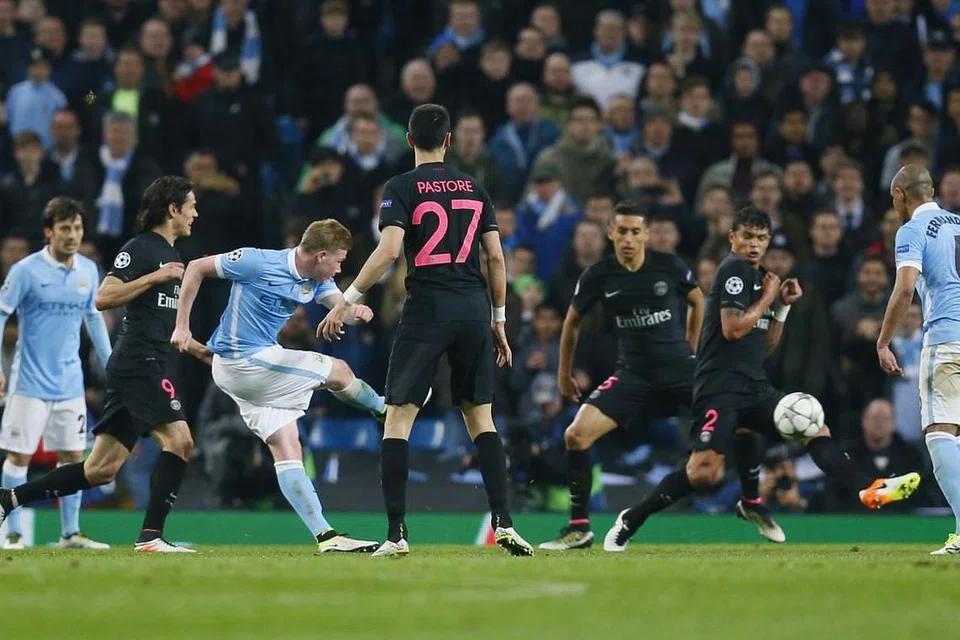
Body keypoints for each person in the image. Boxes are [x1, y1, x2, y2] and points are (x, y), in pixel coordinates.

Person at [603, 206, 922, 552]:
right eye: (748, 237)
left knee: (816, 428)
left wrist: (780, 308)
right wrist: (770, 295)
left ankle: (868, 488)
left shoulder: (760, 279)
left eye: (761, 238)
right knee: (703, 471)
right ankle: (630, 519)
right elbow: (733, 328)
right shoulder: (734, 271)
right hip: (719, 388)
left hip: (753, 384)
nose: (754, 244)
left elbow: (763, 346)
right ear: (733, 238)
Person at [318, 103, 534, 557]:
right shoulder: (475, 188)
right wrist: (498, 320)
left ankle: (397, 535)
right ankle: (506, 524)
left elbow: (389, 250)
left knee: (398, 418)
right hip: (474, 309)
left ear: (410, 140)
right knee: (481, 417)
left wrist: (347, 299)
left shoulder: (401, 187)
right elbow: (496, 258)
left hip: (427, 309)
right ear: (449, 141)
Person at [540, 200, 784, 550]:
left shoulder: (669, 266)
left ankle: (752, 501)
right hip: (632, 375)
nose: (628, 238)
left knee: (742, 414)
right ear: (611, 233)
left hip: (681, 370)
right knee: (576, 435)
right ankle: (579, 528)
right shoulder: (598, 275)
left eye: (635, 232)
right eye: (621, 231)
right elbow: (572, 322)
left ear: (645, 235)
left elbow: (698, 301)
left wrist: (691, 344)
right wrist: (564, 373)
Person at [0, 176, 211, 553]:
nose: (196, 213)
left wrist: (195, 347)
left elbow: (160, 319)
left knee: (99, 470)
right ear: (172, 209)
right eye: (191, 205)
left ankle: (9, 498)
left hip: (148, 361)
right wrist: (154, 276)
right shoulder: (142, 249)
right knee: (180, 442)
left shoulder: (174, 255)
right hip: (138, 363)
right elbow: (104, 297)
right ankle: (151, 537)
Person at [170, 219, 383, 553]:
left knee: (287, 445)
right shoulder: (257, 261)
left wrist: (359, 312)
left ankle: (326, 536)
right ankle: (385, 410)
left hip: (248, 370)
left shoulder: (317, 279)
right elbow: (196, 267)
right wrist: (182, 327)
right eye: (339, 260)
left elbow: (342, 309)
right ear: (321, 255)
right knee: (339, 371)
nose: (340, 267)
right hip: (242, 360)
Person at [0, 197, 111, 550]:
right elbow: (1, 314)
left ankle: (69, 534)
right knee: (19, 457)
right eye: (65, 228)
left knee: (73, 458)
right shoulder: (26, 270)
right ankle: (12, 533)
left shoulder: (88, 271)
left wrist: (111, 366)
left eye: (77, 228)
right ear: (49, 232)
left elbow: (93, 318)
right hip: (28, 382)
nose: (72, 235)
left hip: (69, 382)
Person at [877, 164, 960, 555]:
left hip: (947, 340)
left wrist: (883, 340)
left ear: (899, 194)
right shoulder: (958, 223)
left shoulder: (911, 230)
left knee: (940, 433)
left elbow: (906, 287)